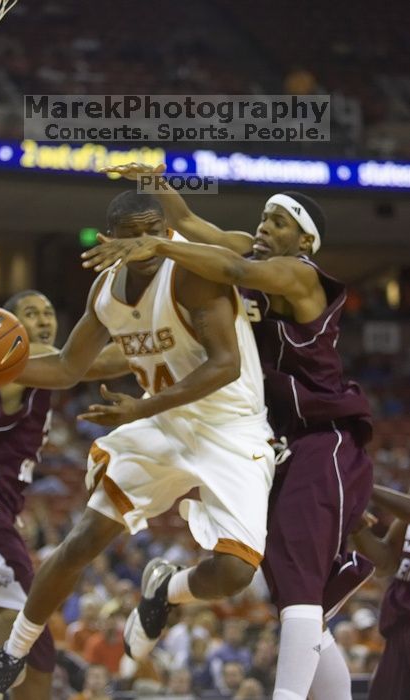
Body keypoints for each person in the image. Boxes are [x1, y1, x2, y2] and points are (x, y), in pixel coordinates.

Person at [0, 190, 275, 699]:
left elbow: (226, 366)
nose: (150, 242)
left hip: (230, 427)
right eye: (137, 235)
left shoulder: (193, 272)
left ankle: (165, 589)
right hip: (165, 422)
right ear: (113, 239)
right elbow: (68, 367)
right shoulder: (106, 291)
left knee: (235, 574)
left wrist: (141, 407)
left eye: (157, 230)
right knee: (84, 539)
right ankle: (12, 653)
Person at [82, 163, 375, 700]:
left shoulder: (298, 273)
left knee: (299, 588)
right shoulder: (244, 248)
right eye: (265, 216)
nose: (266, 227)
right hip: (271, 435)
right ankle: (168, 591)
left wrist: (156, 246)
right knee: (286, 585)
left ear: (305, 239)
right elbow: (195, 224)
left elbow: (230, 271)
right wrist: (159, 187)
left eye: (281, 222)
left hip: (320, 433)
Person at [0, 291, 126, 700]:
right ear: (9, 327)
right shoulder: (22, 358)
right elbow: (100, 363)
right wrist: (168, 340)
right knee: (24, 617)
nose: (44, 319)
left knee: (36, 650)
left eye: (48, 311)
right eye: (31, 313)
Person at [352, 485, 410, 700]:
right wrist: (357, 529)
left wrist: (363, 483)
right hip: (400, 631)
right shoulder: (405, 517)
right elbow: (386, 563)